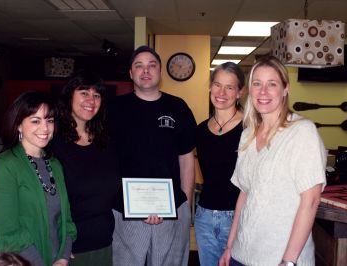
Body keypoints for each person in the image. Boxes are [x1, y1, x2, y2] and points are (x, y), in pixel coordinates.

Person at [219, 56, 327, 266]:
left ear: (285, 89)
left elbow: (311, 200)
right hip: (242, 255)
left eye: (272, 84)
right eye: (257, 84)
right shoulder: (248, 134)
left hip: (280, 258)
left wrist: (288, 262)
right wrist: (230, 246)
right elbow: (244, 194)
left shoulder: (302, 132)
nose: (263, 92)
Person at [110, 45, 197, 266]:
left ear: (159, 72)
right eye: (139, 66)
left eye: (152, 65)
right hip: (126, 212)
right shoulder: (114, 109)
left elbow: (186, 158)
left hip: (171, 212)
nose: (145, 71)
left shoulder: (178, 107)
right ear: (131, 73)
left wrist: (184, 205)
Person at [0, 92, 77, 266]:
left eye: (49, 120)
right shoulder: (5, 165)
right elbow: (8, 234)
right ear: (19, 125)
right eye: (35, 121)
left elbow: (65, 221)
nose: (45, 128)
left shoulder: (54, 164)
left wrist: (63, 257)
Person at [50, 71, 120, 266]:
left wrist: (147, 207)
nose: (91, 100)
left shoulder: (105, 140)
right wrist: (58, 244)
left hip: (103, 242)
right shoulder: (51, 141)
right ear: (69, 95)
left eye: (96, 95)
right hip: (68, 248)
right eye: (84, 92)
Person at [194, 62, 245, 266]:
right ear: (210, 87)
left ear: (240, 92)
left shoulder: (250, 129)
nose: (221, 92)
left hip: (239, 219)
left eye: (230, 87)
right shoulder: (200, 131)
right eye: (217, 84)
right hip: (204, 217)